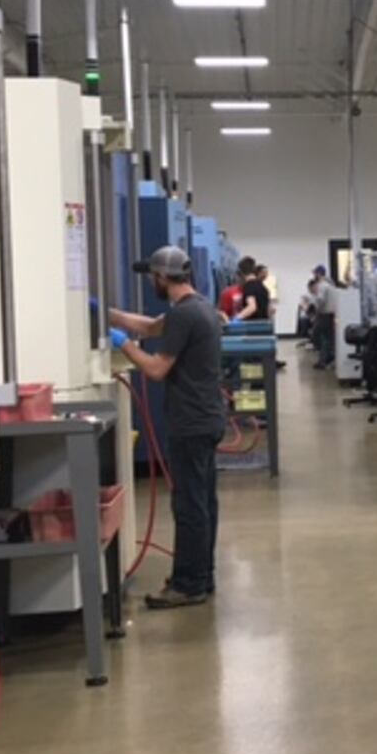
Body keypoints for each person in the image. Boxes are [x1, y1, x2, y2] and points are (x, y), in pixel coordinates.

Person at [106, 245, 227, 610]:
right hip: (207, 418)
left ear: (161, 277)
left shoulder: (184, 316)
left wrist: (123, 345)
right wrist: (104, 314)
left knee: (189, 506)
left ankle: (188, 585)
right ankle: (202, 575)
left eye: (151, 278)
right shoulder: (199, 307)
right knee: (203, 502)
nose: (150, 283)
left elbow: (157, 369)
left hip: (190, 422)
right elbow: (150, 326)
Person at [311, 265, 337, 369]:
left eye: (314, 273)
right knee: (328, 338)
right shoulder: (330, 285)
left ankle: (324, 359)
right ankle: (327, 357)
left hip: (323, 314)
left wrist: (316, 308)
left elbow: (320, 300)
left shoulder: (322, 285)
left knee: (316, 336)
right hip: (331, 314)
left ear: (318, 274)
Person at [234, 259, 272, 323]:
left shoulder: (249, 287)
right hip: (264, 326)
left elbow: (252, 307)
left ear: (241, 273)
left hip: (253, 327)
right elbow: (270, 310)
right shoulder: (263, 287)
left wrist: (236, 318)